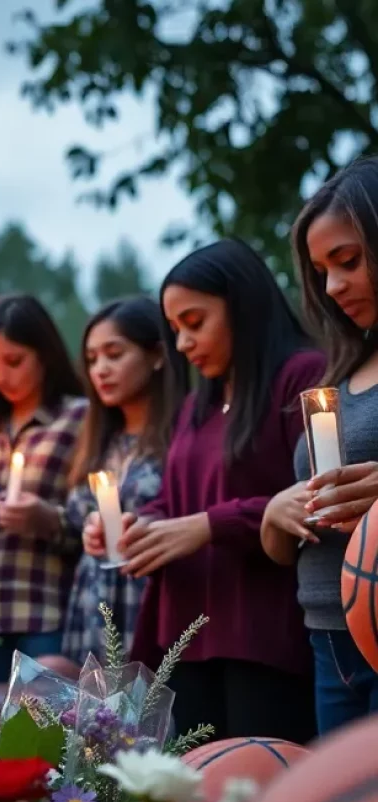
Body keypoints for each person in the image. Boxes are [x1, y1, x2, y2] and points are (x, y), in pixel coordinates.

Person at [112, 240, 323, 743]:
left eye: (194, 321)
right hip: (186, 629)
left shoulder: (302, 377)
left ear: (243, 306)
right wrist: (142, 524)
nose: (183, 342)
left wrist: (209, 526)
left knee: (255, 792)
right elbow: (177, 500)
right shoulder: (196, 404)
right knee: (191, 800)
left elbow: (311, 497)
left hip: (261, 630)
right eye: (175, 329)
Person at [262, 156, 378, 731]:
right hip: (328, 635)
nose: (333, 287)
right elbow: (289, 541)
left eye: (349, 261)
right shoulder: (338, 376)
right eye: (320, 270)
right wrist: (274, 515)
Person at [0, 294, 87, 684]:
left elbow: (95, 519)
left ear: (44, 354)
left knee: (43, 734)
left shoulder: (78, 419)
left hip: (42, 609)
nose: (1, 376)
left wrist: (46, 520)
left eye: (14, 361)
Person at [62, 297, 187, 665]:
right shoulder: (100, 439)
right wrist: (89, 527)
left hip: (150, 595)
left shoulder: (182, 433)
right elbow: (76, 515)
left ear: (157, 355)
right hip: (94, 599)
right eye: (92, 359)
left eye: (114, 354)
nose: (100, 369)